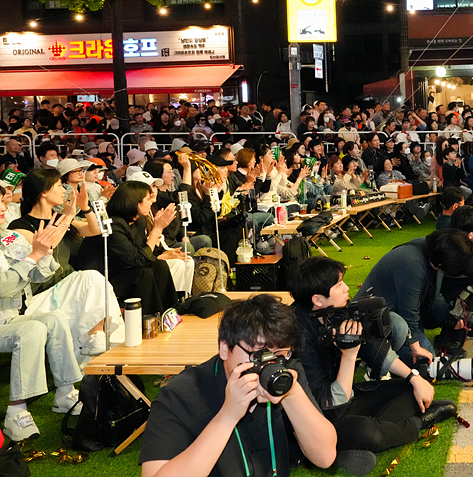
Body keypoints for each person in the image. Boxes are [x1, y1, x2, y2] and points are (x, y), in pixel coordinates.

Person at [139, 294, 339, 477]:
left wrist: (293, 394)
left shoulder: (287, 371)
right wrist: (227, 417)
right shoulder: (179, 395)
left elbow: (325, 456)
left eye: (280, 355)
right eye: (260, 355)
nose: (269, 365)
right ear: (224, 348)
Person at [289, 257, 456, 461]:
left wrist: (414, 378)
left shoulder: (333, 312)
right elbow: (329, 406)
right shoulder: (299, 338)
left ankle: (350, 446)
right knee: (367, 432)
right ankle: (417, 424)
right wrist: (349, 356)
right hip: (322, 414)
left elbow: (372, 347)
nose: (346, 289)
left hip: (345, 394)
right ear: (317, 299)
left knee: (408, 388)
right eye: (339, 285)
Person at [0, 215, 84, 440]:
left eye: (2, 201)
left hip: (8, 318)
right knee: (32, 330)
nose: (1, 207)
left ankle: (65, 393)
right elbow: (3, 287)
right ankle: (15, 411)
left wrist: (45, 251)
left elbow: (38, 275)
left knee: (54, 319)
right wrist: (33, 256)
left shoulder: (9, 238)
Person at [353, 229, 473, 366]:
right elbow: (409, 311)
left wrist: (450, 316)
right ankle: (374, 356)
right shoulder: (412, 262)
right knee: (424, 362)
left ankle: (386, 354)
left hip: (394, 310)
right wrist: (415, 347)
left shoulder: (432, 250)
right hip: (372, 320)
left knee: (427, 358)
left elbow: (432, 296)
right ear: (445, 263)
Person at [74, 181, 182, 314]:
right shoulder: (114, 225)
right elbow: (137, 260)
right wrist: (157, 229)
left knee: (159, 266)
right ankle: (149, 319)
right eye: (148, 199)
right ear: (135, 202)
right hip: (102, 277)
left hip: (122, 269)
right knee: (143, 273)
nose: (151, 203)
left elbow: (142, 252)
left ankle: (170, 313)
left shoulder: (139, 220)